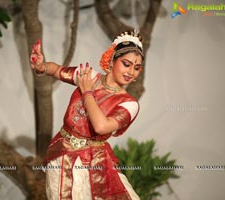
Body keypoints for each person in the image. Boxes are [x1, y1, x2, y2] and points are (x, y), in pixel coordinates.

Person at [30, 30, 144, 200]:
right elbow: (57, 70)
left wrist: (87, 92)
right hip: (62, 154)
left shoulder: (129, 104)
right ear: (112, 60)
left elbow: (101, 126)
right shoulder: (88, 77)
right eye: (126, 64)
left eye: (136, 67)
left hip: (95, 162)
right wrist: (42, 67)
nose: (131, 72)